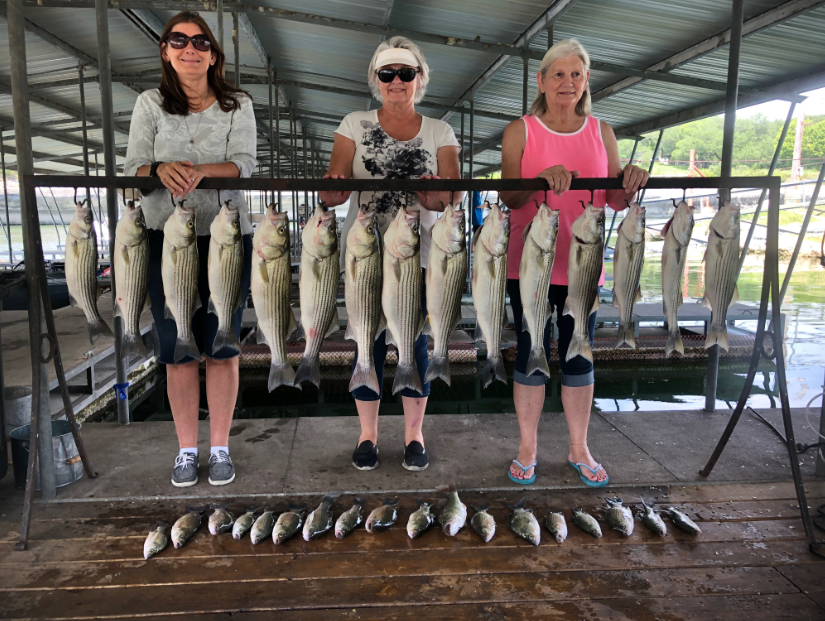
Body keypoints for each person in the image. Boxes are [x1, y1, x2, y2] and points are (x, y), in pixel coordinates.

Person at [499, 39, 648, 487]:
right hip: (529, 266)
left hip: (583, 266)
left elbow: (616, 200)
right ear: (542, 81)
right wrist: (537, 180)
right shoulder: (520, 131)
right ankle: (528, 447)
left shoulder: (602, 131)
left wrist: (632, 181)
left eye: (576, 75)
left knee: (579, 354)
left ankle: (579, 447)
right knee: (530, 352)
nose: (568, 83)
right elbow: (508, 196)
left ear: (586, 83)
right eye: (558, 75)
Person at [124, 11, 257, 488]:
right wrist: (159, 169)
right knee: (176, 348)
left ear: (213, 54)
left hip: (225, 239)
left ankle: (219, 445)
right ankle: (186, 449)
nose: (190, 49)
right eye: (178, 41)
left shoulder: (237, 104)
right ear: (165, 51)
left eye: (200, 42)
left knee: (223, 343)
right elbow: (136, 167)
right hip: (168, 242)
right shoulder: (149, 103)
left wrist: (201, 171)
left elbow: (244, 164)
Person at [319, 36, 462, 472]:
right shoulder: (353, 124)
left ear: (419, 80)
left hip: (415, 254)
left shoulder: (440, 130)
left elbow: (450, 197)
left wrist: (434, 196)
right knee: (368, 341)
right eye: (387, 74)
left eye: (406, 73)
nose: (396, 81)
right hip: (363, 254)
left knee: (414, 341)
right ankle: (367, 434)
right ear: (376, 80)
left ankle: (414, 434)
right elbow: (334, 184)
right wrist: (332, 188)